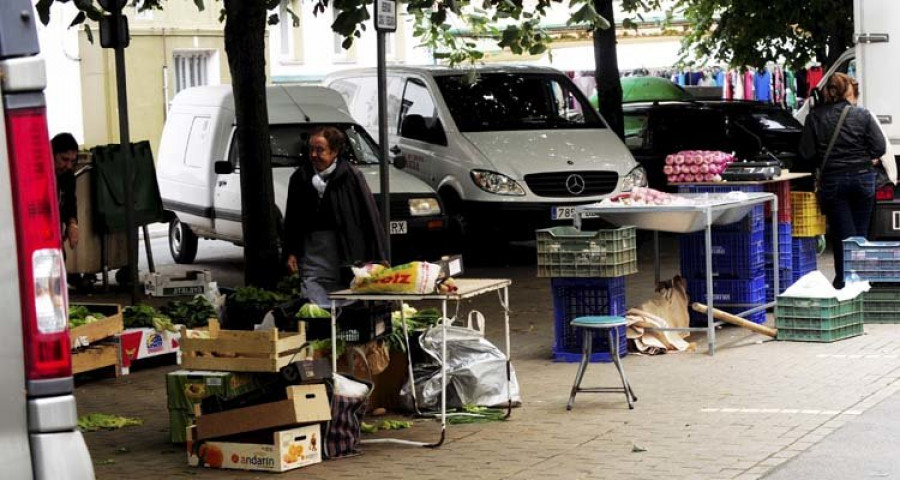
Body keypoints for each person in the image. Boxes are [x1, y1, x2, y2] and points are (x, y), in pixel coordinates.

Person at [282, 126, 388, 305]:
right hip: (312, 253)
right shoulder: (300, 178)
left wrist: (379, 257)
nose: (314, 155)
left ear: (335, 151)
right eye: (311, 149)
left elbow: (370, 217)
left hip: (344, 251)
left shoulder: (351, 177)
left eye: (320, 150)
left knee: (344, 299)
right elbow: (292, 219)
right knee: (314, 297)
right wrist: (291, 252)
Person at [799, 73, 886, 289]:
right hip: (863, 179)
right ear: (847, 91)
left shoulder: (815, 117)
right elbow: (880, 147)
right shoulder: (862, 115)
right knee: (859, 233)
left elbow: (806, 154)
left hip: (834, 181)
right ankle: (853, 282)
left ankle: (846, 282)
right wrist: (866, 156)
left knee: (843, 234)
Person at [52, 132, 79, 249]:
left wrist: (72, 224)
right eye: (64, 159)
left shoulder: (67, 176)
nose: (68, 166)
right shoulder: (37, 177)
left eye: (72, 161)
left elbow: (70, 202)